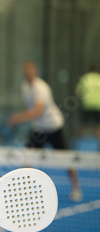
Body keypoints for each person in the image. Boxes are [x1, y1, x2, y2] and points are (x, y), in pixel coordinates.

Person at [8, 61, 82, 202]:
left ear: (35, 72)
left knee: (66, 159)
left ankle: (76, 189)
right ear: (24, 74)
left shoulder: (41, 88)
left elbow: (37, 111)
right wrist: (22, 118)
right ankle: (24, 190)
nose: (28, 74)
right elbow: (31, 109)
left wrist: (17, 118)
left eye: (31, 72)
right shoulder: (25, 87)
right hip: (39, 128)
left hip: (53, 126)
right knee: (28, 157)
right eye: (26, 72)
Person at [76, 65, 100, 150]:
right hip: (98, 106)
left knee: (82, 124)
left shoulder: (86, 78)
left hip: (87, 105)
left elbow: (79, 93)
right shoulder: (99, 78)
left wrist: (84, 98)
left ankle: (77, 144)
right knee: (98, 126)